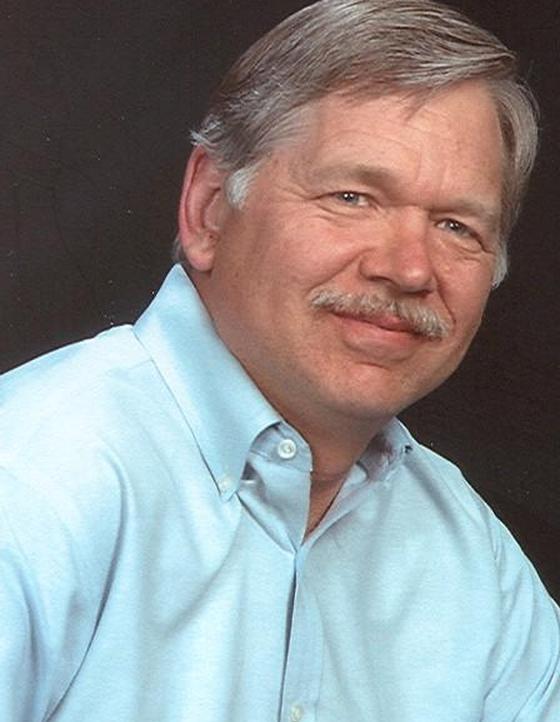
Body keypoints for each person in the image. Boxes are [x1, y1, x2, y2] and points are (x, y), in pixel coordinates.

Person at [1, 0, 558, 719]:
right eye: (352, 197)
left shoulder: (473, 559)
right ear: (209, 208)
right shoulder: (34, 483)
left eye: (456, 226)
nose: (409, 269)